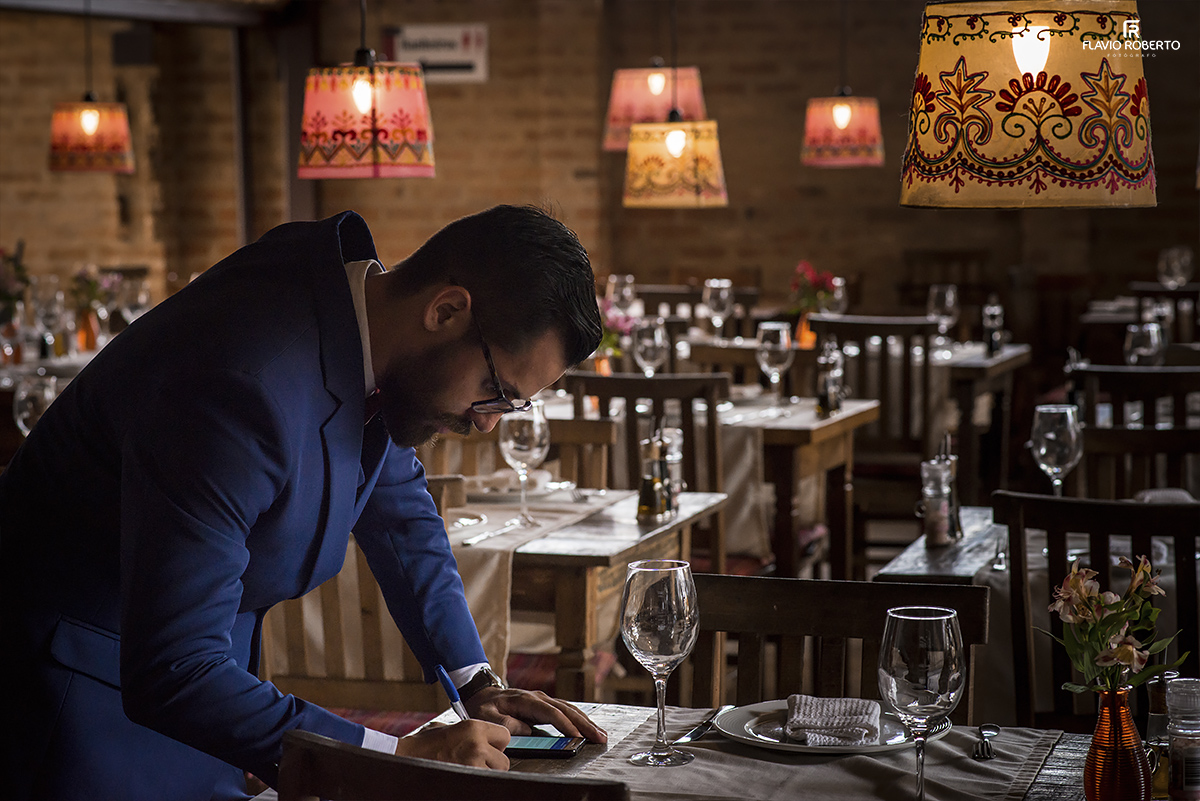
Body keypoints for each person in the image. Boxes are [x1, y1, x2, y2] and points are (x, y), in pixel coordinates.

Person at [0, 205, 607, 801]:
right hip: (75, 703)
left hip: (202, 693)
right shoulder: (241, 383)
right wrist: (395, 758)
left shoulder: (361, 328)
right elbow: (174, 669)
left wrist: (476, 682)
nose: (487, 428)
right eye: (494, 393)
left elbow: (398, 511)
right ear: (445, 310)